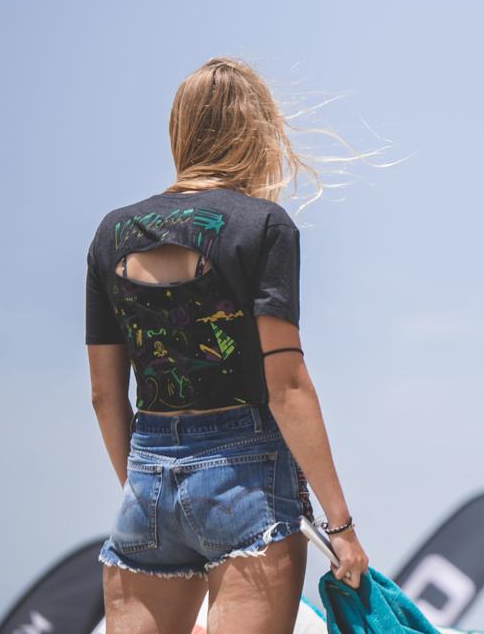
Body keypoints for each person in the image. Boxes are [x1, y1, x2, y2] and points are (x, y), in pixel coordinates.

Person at [86, 57, 369, 634]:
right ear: (256, 133)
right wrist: (340, 529)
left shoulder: (111, 232)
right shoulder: (262, 226)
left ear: (180, 131)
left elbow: (104, 396)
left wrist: (147, 493)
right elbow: (287, 386)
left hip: (147, 475)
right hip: (246, 476)